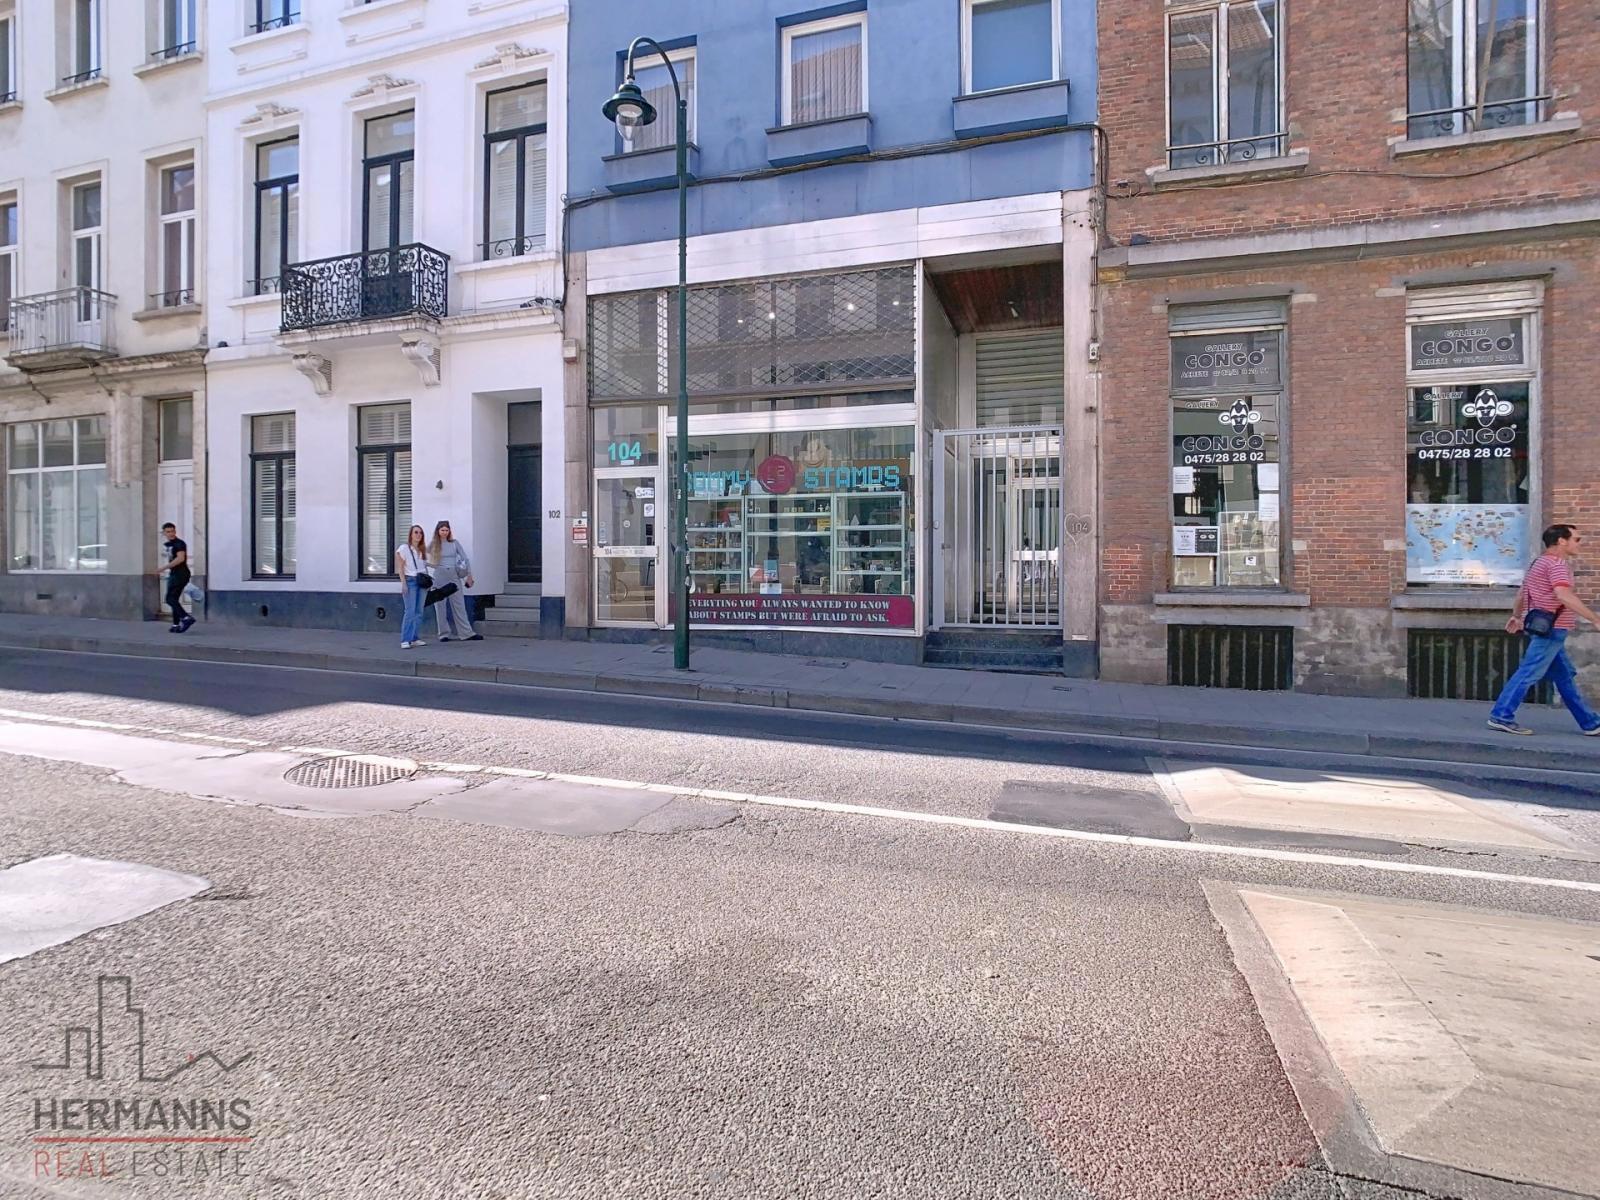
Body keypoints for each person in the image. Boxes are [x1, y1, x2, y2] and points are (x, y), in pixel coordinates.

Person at [1488, 523, 1600, 737]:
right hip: (1552, 629)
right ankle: (1501, 716)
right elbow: (1563, 595)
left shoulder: (1538, 563)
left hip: (1542, 627)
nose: (1580, 544)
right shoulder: (1557, 565)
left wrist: (1517, 616)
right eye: (1576, 539)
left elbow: (1522, 593)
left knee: (1564, 677)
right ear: (1561, 541)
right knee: (1528, 672)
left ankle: (1590, 723)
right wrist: (1594, 619)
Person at [427, 520, 482, 643]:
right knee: (440, 606)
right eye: (442, 530)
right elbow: (425, 557)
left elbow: (465, 558)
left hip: (453, 575)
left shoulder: (454, 543)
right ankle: (443, 634)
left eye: (447, 530)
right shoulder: (433, 544)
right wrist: (429, 565)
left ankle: (466, 633)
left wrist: (469, 575)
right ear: (438, 531)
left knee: (459, 605)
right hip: (439, 576)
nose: (444, 532)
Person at [155, 522, 194, 634]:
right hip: (174, 574)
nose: (171, 533)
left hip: (181, 574)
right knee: (174, 599)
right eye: (168, 532)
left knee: (169, 599)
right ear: (164, 533)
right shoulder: (168, 545)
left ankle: (186, 618)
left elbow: (180, 559)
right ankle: (176, 624)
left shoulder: (179, 543)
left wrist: (163, 568)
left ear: (175, 531)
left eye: (172, 531)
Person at [396, 524, 430, 649]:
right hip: (410, 580)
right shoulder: (404, 548)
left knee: (419, 611)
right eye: (416, 532)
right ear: (410, 534)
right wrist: (403, 583)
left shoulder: (422, 549)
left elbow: (425, 566)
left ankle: (414, 637)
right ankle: (405, 639)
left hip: (422, 581)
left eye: (420, 533)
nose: (418, 535)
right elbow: (400, 567)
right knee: (410, 611)